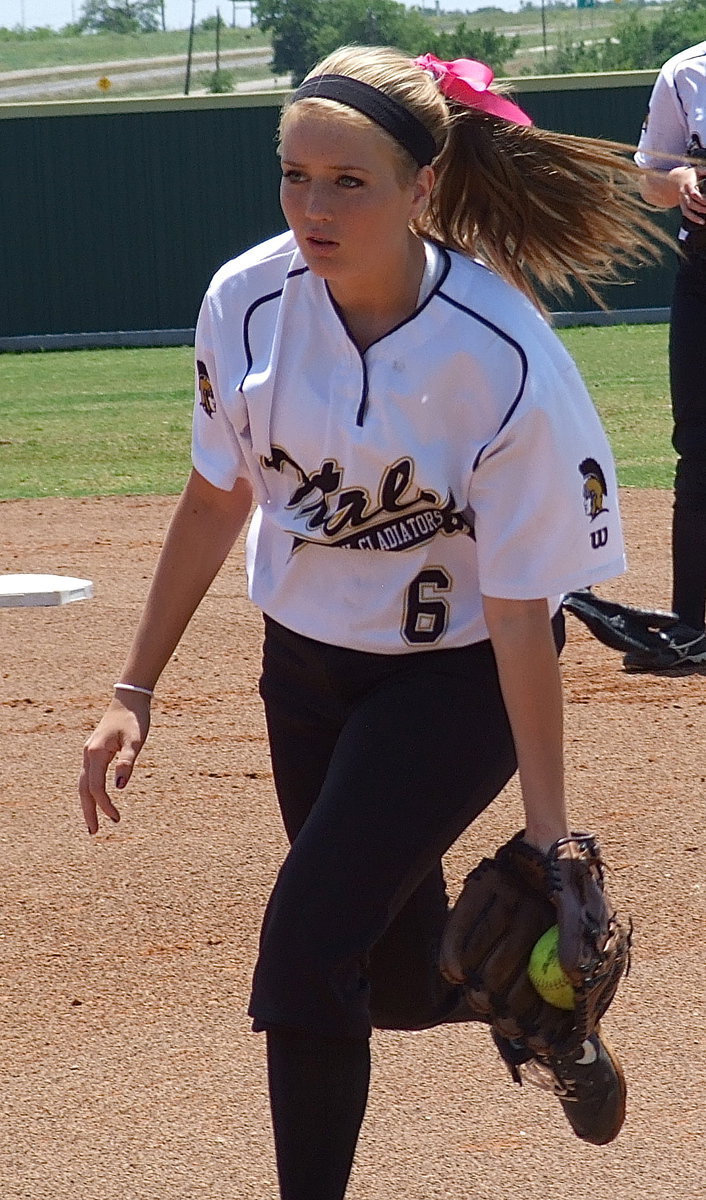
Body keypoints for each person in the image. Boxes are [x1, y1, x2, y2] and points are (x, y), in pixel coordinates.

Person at [79, 46, 662, 1200]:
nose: (313, 206)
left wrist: (550, 835)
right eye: (294, 175)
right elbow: (213, 499)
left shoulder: (498, 357)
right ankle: (537, 1018)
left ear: (423, 188)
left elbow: (515, 608)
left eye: (349, 180)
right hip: (305, 671)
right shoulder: (244, 302)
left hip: (455, 687)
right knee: (386, 982)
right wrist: (131, 688)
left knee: (304, 948)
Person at [625, 40, 706, 671]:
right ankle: (690, 626)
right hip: (702, 266)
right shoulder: (686, 73)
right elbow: (649, 177)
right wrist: (677, 180)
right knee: (698, 444)